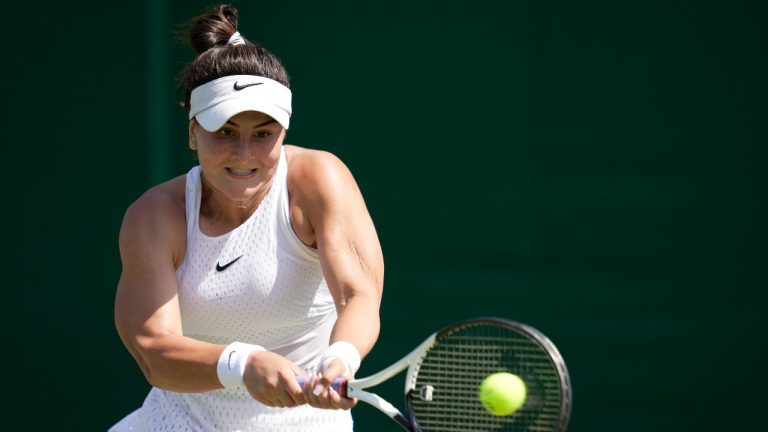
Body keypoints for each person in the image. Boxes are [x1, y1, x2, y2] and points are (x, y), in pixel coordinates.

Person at [110, 5, 383, 431]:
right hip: (175, 422)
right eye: (225, 132)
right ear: (192, 130)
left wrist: (340, 357)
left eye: (262, 134)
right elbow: (154, 350)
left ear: (284, 132)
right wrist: (241, 362)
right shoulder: (153, 217)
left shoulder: (319, 181)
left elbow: (358, 296)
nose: (244, 155)